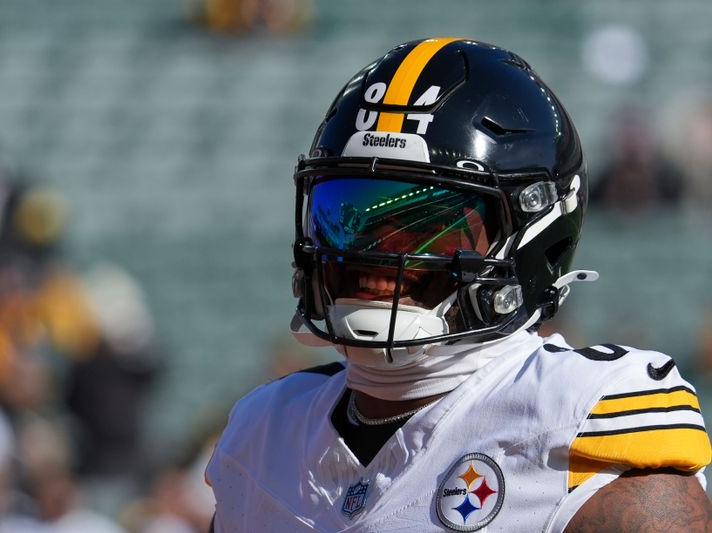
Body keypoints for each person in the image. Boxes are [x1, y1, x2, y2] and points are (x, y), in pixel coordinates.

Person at [204, 37, 712, 531]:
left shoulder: (578, 419)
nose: (371, 254)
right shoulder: (266, 432)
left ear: (532, 236)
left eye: (427, 227)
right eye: (345, 215)